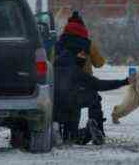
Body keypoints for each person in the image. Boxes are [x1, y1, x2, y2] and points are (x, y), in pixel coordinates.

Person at [54, 11, 133, 145]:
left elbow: (50, 61)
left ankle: (58, 130)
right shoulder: (87, 44)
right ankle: (96, 129)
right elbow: (100, 64)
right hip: (82, 85)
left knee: (68, 131)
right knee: (95, 99)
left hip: (56, 92)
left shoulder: (59, 43)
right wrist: (125, 81)